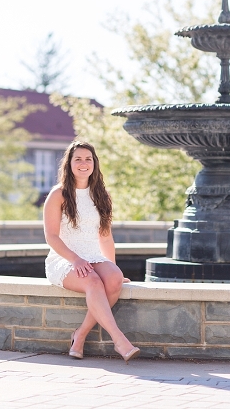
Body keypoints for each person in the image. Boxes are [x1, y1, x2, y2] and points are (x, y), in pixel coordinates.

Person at [44, 140, 140, 363]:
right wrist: (75, 260)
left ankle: (80, 335)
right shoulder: (58, 195)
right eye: (78, 159)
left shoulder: (102, 195)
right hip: (64, 259)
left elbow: (105, 237)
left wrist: (113, 268)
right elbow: (52, 237)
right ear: (69, 164)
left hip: (92, 256)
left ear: (94, 164)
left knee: (114, 280)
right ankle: (119, 340)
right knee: (93, 282)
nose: (83, 163)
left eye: (88, 159)